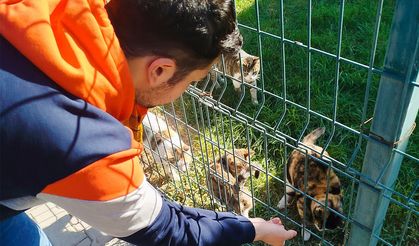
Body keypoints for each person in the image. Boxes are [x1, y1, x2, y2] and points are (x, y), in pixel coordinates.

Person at [0, 0, 297, 245]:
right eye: (193, 81)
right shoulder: (86, 147)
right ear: (160, 71)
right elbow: (168, 229)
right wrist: (255, 229)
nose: (188, 90)